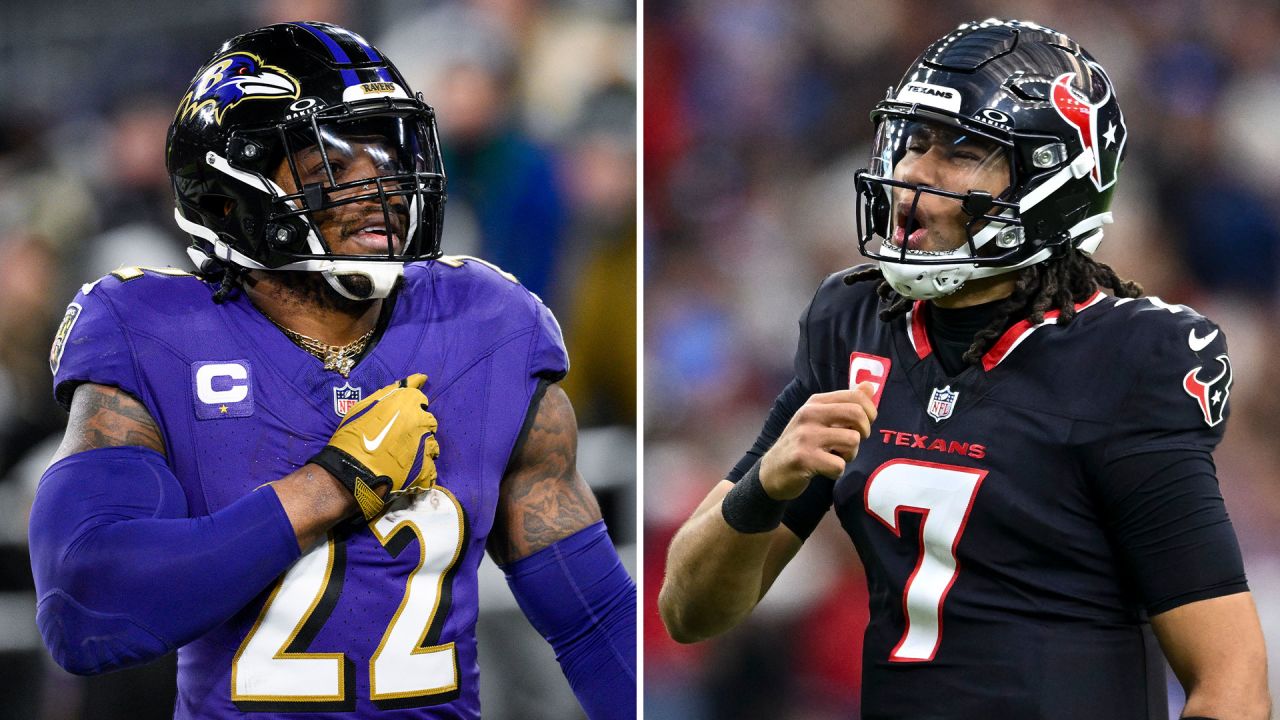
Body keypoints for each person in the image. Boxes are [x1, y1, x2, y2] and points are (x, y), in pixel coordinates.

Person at [659, 18, 1270, 720]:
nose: (916, 173)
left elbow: (1233, 685)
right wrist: (764, 488)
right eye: (915, 141)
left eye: (963, 151)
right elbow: (688, 611)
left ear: (1050, 180)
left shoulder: (1125, 362)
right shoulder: (857, 322)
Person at [29, 21, 635, 719]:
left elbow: (595, 623)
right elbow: (86, 612)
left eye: (387, 146)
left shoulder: (485, 325)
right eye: (338, 158)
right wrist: (334, 483)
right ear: (234, 187)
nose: (382, 180)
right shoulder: (155, 331)